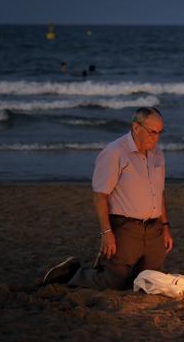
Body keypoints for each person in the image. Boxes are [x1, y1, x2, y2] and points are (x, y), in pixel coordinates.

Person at [42, 107, 174, 290]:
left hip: (154, 230)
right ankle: (73, 272)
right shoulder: (114, 152)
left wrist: (165, 227)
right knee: (113, 282)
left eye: (160, 132)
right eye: (152, 132)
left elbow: (159, 192)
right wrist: (106, 233)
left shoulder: (157, 153)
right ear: (136, 127)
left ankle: (114, 266)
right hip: (126, 228)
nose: (157, 138)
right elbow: (100, 195)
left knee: (149, 281)